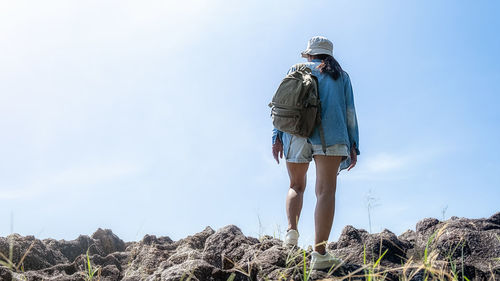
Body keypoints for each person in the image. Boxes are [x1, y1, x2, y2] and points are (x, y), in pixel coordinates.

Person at [271, 36, 360, 270]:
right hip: (331, 134)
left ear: (310, 54)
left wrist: (276, 137)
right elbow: (350, 113)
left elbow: (283, 104)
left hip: (296, 133)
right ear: (329, 55)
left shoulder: (295, 69)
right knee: (325, 191)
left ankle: (291, 234)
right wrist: (354, 145)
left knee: (295, 186)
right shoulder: (341, 76)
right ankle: (319, 255)